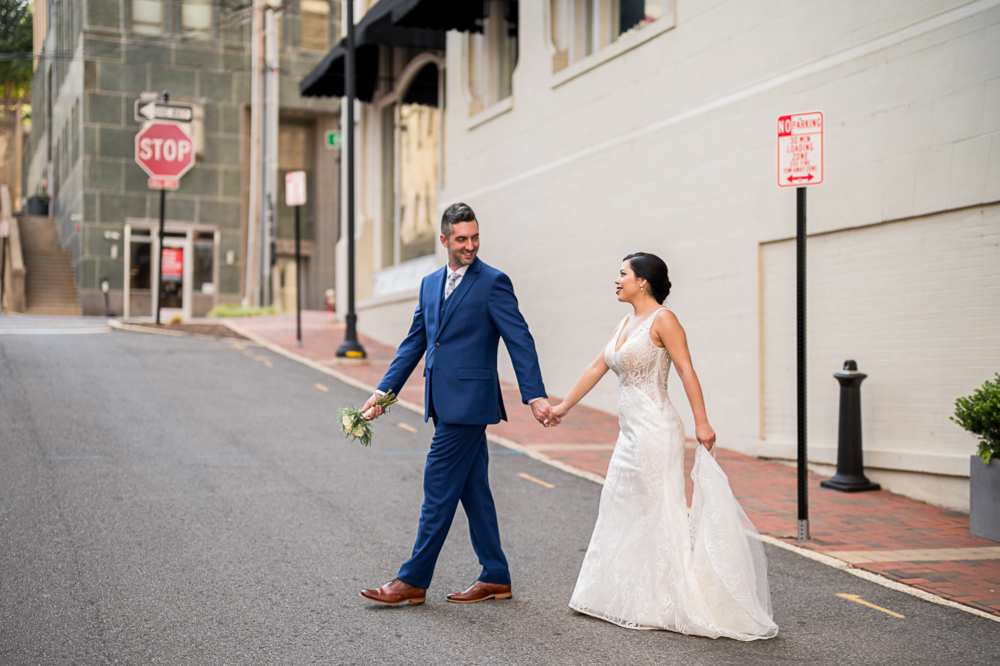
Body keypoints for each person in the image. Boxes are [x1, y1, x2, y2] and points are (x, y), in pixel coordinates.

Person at [550, 252, 778, 640]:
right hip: (629, 434)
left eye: (622, 274)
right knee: (620, 503)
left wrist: (702, 422)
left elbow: (686, 369)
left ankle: (664, 601)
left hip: (657, 430)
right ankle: (612, 594)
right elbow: (596, 366)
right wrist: (563, 409)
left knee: (660, 511)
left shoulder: (664, 320)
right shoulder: (625, 321)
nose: (616, 280)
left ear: (643, 281)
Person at [358, 202, 554, 606]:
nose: (470, 246)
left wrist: (534, 394)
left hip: (470, 405)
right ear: (444, 240)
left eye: (476, 237)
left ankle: (412, 580)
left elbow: (520, 338)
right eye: (462, 239)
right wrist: (383, 394)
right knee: (472, 488)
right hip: (442, 402)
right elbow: (416, 341)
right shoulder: (430, 283)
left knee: (438, 485)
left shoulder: (493, 282)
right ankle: (496, 575)